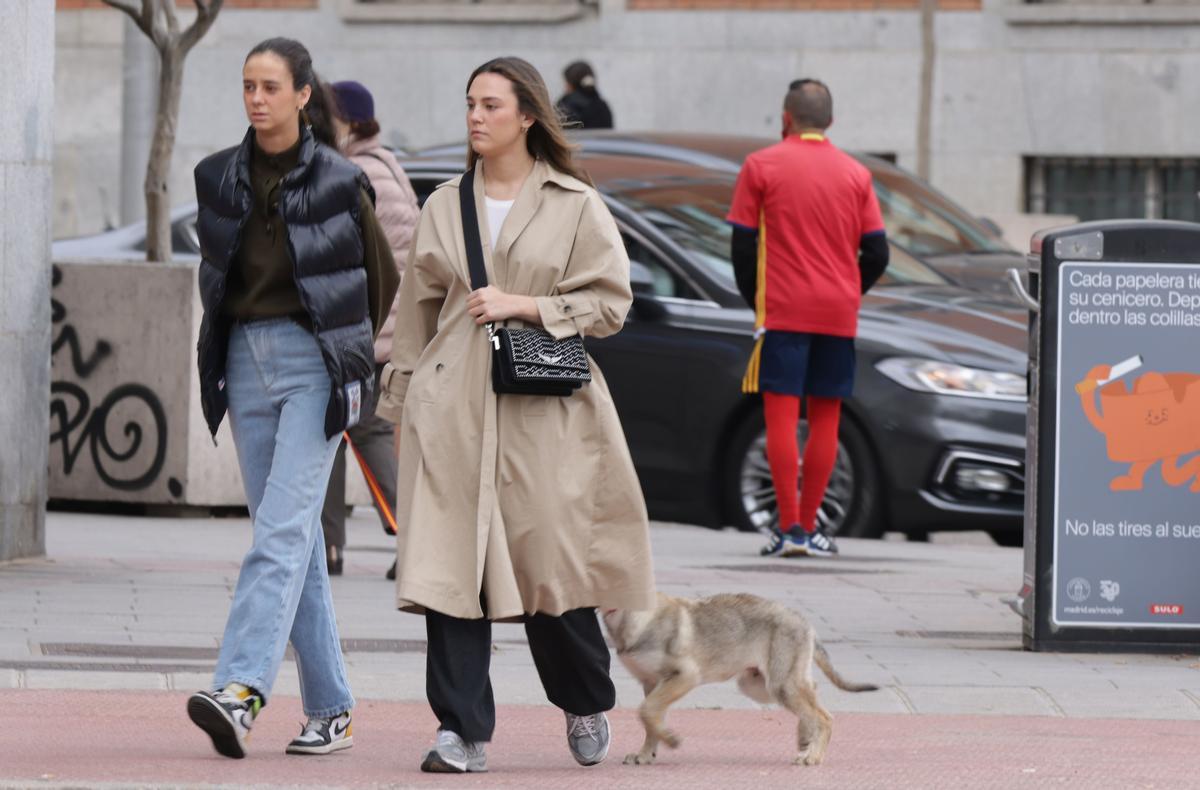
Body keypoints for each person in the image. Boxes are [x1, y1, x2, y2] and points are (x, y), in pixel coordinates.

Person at [374, 56, 655, 774]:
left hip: (547, 412)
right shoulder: (444, 204)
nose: (475, 116)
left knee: (548, 571)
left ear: (527, 115)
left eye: (491, 105)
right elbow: (416, 317)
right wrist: (401, 408)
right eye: (470, 103)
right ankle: (461, 730)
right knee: (450, 572)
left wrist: (529, 305)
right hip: (455, 406)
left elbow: (612, 304)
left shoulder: (573, 203)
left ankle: (585, 699)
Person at [187, 37, 399, 759]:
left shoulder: (342, 180)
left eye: (271, 86)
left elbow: (383, 279)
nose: (256, 98)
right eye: (248, 85)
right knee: (296, 537)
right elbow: (215, 277)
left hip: (316, 364)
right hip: (244, 361)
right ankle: (333, 707)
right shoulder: (217, 176)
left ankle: (240, 689)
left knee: (279, 534)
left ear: (304, 94)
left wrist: (342, 351)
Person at [726, 78, 889, 559]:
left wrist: (756, 301)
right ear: (831, 121)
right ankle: (814, 531)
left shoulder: (761, 165)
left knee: (780, 415)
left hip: (783, 308)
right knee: (826, 418)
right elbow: (877, 251)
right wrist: (847, 291)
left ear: (785, 117)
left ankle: (788, 529)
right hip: (838, 312)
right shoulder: (856, 174)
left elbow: (741, 244)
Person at [320, 79, 419, 579]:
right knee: (332, 428)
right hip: (388, 326)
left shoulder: (356, 172)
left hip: (369, 328)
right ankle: (327, 545)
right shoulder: (387, 163)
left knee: (363, 426)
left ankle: (419, 537)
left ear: (351, 123)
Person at [555, 60, 613, 130]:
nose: (565, 87)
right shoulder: (603, 107)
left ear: (571, 84)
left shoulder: (564, 107)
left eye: (566, 83)